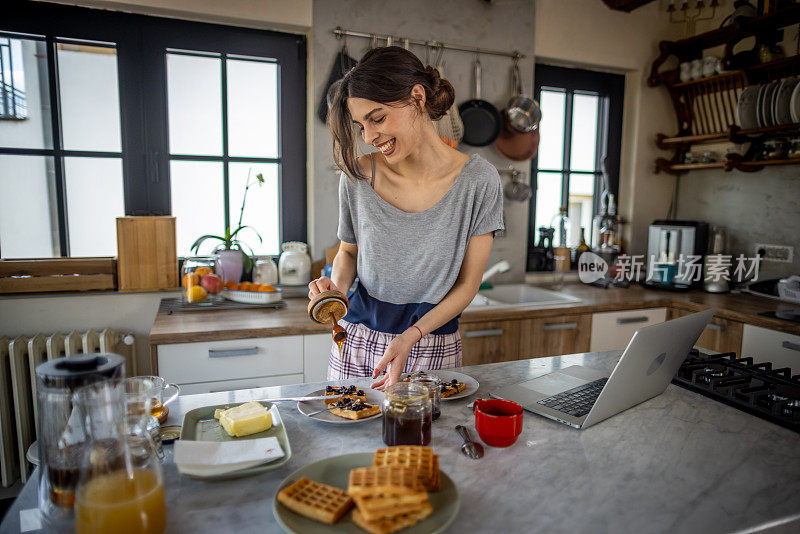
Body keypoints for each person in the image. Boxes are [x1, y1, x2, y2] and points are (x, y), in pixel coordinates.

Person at [308, 46, 504, 391]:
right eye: (361, 125)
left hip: (431, 346)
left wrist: (411, 335)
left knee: (424, 443)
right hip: (356, 340)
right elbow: (349, 252)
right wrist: (335, 291)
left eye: (377, 118)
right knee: (346, 439)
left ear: (416, 97)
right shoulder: (358, 176)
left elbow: (467, 285)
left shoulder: (479, 181)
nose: (368, 137)